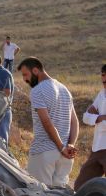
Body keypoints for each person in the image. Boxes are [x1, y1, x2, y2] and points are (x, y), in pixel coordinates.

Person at [18, 57, 79, 187]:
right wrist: (70, 145)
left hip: (44, 152)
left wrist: (61, 147)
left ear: (35, 70)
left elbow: (46, 122)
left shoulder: (37, 90)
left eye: (25, 74)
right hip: (65, 157)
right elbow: (74, 122)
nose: (24, 79)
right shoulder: (64, 89)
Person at [74, 64, 106, 190]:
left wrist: (97, 119)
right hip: (97, 148)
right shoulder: (101, 94)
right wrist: (99, 118)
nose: (104, 79)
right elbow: (86, 117)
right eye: (103, 75)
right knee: (81, 186)